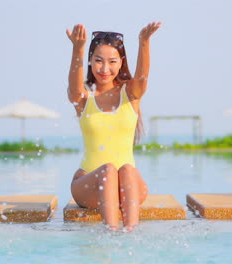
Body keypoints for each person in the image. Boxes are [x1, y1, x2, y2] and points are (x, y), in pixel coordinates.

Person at [66, 22, 161, 232]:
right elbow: (74, 90)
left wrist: (144, 42)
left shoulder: (130, 95)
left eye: (112, 61)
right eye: (98, 60)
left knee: (126, 169)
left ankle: (131, 234)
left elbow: (143, 80)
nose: (105, 68)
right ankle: (111, 234)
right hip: (88, 184)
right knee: (108, 169)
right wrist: (77, 49)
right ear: (90, 61)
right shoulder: (84, 99)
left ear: (121, 63)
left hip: (128, 185)